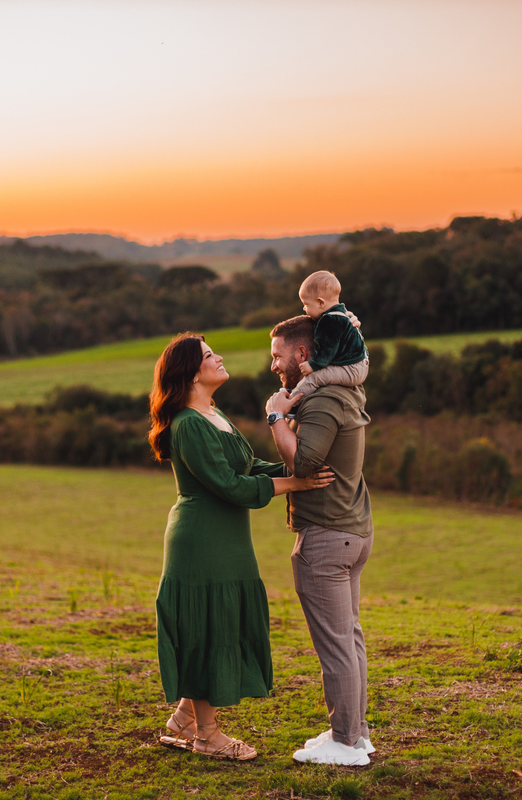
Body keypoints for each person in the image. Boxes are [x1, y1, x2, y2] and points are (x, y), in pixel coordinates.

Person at [149, 333, 334, 761]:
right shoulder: (188, 423)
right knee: (207, 627)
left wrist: (300, 465)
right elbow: (231, 486)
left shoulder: (213, 414)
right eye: (210, 355)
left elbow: (249, 467)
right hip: (201, 541)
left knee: (220, 625)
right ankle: (208, 736)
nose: (219, 358)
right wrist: (296, 483)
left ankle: (184, 719)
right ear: (192, 372)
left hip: (227, 539)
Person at [264, 315, 376, 767]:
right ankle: (354, 733)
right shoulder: (340, 392)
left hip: (327, 538)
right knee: (348, 638)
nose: (274, 365)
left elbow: (304, 465)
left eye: (277, 356)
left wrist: (275, 416)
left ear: (303, 355)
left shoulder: (325, 399)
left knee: (336, 645)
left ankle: (347, 744)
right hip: (350, 531)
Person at [289, 270, 370, 399]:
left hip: (352, 369)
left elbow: (327, 350)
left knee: (315, 377)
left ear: (321, 303)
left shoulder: (329, 321)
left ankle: (292, 402)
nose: (304, 309)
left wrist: (312, 365)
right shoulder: (342, 314)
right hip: (358, 364)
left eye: (306, 304)